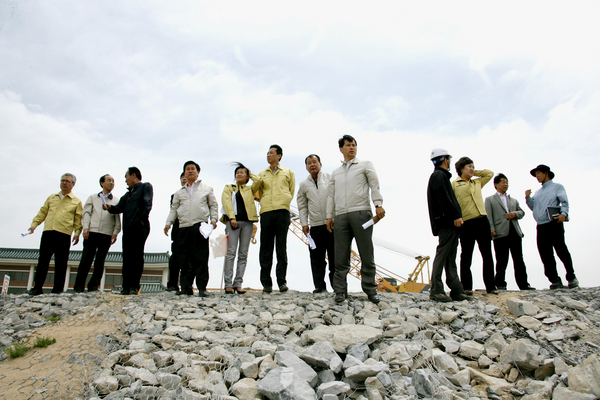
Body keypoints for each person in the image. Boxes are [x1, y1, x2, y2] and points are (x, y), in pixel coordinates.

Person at [326, 135, 385, 304]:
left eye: (354, 145)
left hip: (361, 213)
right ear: (341, 149)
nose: (352, 147)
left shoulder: (365, 165)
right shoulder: (336, 173)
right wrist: (329, 216)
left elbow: (374, 184)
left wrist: (378, 204)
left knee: (366, 253)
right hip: (340, 217)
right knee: (340, 256)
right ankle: (340, 291)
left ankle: (370, 290)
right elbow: (331, 196)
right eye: (348, 145)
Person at [165, 161, 218, 297]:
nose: (190, 171)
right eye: (187, 169)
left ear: (198, 172)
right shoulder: (179, 193)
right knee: (184, 258)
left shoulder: (206, 188)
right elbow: (174, 209)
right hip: (183, 226)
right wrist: (168, 223)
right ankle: (186, 287)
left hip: (200, 225)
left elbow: (213, 205)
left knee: (201, 258)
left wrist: (213, 219)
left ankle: (202, 288)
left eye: (193, 169)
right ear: (184, 173)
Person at [27, 173, 82, 295]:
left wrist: (77, 233)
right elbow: (42, 212)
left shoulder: (76, 201)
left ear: (73, 184)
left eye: (67, 181)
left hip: (64, 234)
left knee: (61, 262)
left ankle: (58, 289)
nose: (64, 183)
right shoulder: (51, 197)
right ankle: (37, 287)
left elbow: (78, 219)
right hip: (48, 232)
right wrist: (34, 224)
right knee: (43, 260)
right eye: (62, 180)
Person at [526, 164, 578, 289]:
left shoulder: (557, 187)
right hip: (541, 226)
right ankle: (554, 280)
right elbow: (534, 207)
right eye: (536, 174)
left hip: (554, 223)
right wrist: (528, 198)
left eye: (539, 173)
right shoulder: (537, 193)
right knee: (545, 254)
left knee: (561, 250)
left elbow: (564, 202)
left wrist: (564, 214)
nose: (537, 176)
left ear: (546, 173)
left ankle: (571, 277)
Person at [426, 149, 469, 302]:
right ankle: (436, 290)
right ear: (445, 160)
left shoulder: (440, 176)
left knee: (450, 256)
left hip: (447, 222)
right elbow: (443, 198)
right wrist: (455, 215)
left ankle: (456, 290)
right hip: (446, 222)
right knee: (443, 254)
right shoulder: (439, 176)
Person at [451, 157, 497, 294]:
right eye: (469, 167)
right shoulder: (454, 184)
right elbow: (451, 203)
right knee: (466, 256)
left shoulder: (477, 182)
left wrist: (474, 172)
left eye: (473, 166)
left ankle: (491, 287)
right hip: (466, 223)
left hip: (482, 220)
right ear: (461, 169)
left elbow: (490, 173)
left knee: (487, 254)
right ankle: (466, 287)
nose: (472, 168)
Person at [105, 167, 153, 295]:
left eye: (126, 176)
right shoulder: (127, 195)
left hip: (140, 227)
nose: (125, 180)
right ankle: (125, 286)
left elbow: (147, 203)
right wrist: (109, 208)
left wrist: (142, 219)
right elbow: (119, 208)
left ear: (133, 175)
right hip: (127, 229)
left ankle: (134, 286)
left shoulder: (145, 187)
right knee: (126, 257)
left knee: (137, 256)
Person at [485, 173, 535, 291]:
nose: (505, 184)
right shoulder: (490, 199)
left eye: (507, 182)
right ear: (496, 184)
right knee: (501, 260)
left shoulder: (513, 200)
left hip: (514, 231)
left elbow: (521, 212)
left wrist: (514, 214)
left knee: (519, 259)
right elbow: (488, 216)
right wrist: (491, 229)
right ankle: (500, 284)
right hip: (499, 232)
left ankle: (523, 284)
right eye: (503, 182)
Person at [256, 145, 295, 293]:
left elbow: (291, 191)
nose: (268, 155)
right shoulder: (262, 174)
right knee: (265, 248)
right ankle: (266, 283)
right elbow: (259, 192)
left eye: (271, 153)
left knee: (281, 247)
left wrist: (284, 201)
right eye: (267, 153)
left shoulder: (288, 172)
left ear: (279, 155)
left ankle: (282, 281)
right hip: (266, 212)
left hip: (282, 212)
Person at [73, 174, 121, 293]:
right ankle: (78, 286)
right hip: (92, 232)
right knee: (86, 259)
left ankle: (94, 286)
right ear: (102, 183)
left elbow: (117, 217)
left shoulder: (116, 200)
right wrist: (85, 228)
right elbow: (86, 213)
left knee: (100, 261)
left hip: (106, 233)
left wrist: (115, 232)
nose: (111, 183)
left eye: (113, 181)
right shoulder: (93, 197)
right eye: (109, 180)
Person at [221, 162, 261, 294]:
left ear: (247, 176)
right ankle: (228, 284)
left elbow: (259, 181)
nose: (239, 174)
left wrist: (250, 173)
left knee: (243, 254)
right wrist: (232, 217)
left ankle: (238, 283)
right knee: (231, 252)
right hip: (233, 222)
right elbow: (226, 202)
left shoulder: (250, 189)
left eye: (242, 172)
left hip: (248, 223)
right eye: (237, 173)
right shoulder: (229, 187)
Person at [297, 154, 335, 293]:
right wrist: (304, 223)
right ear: (306, 167)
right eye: (309, 163)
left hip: (332, 224)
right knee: (316, 258)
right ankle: (319, 286)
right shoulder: (303, 185)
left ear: (320, 164)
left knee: (335, 258)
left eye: (314, 162)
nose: (312, 164)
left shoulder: (330, 178)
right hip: (315, 226)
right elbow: (302, 206)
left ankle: (338, 287)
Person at [166, 172, 187, 292]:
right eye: (182, 178)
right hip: (178, 229)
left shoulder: (197, 195)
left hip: (190, 229)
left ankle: (186, 285)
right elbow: (174, 211)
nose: (184, 179)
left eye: (186, 177)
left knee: (188, 258)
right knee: (175, 258)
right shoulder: (175, 195)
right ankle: (172, 284)